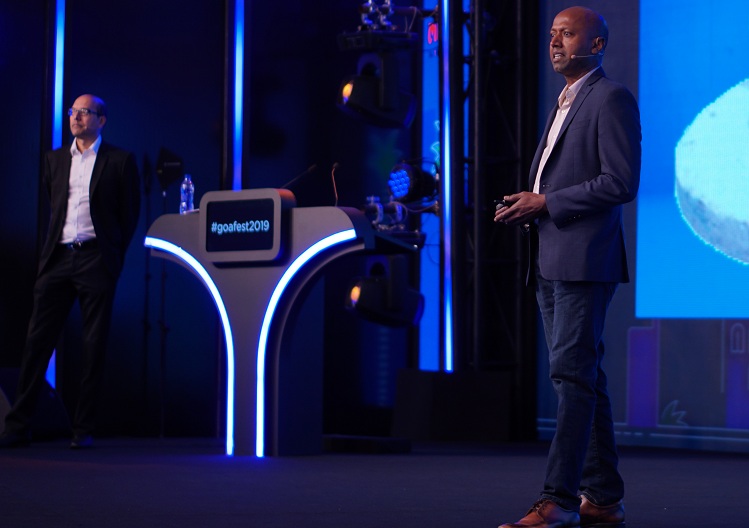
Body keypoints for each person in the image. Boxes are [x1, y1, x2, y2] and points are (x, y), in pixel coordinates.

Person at [494, 6, 640, 528]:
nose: (554, 41)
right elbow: (559, 181)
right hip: (550, 258)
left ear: (596, 45)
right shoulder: (564, 102)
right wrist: (528, 202)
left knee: (572, 379)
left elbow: (620, 182)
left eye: (568, 33)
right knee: (584, 379)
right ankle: (602, 498)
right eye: (552, 33)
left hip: (583, 262)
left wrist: (547, 202)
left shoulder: (610, 97)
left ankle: (557, 501)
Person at [0, 94, 140, 449]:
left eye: (84, 112)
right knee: (37, 342)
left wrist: (112, 257)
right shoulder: (55, 159)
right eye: (73, 112)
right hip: (59, 258)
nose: (76, 117)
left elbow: (129, 215)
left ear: (101, 120)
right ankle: (18, 425)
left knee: (93, 345)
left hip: (96, 259)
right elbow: (54, 204)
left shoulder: (119, 161)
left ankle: (83, 428)